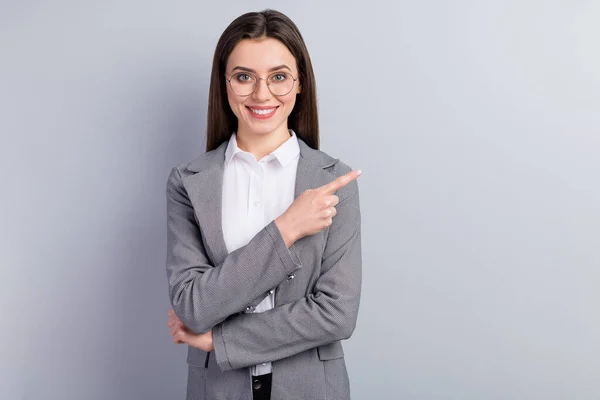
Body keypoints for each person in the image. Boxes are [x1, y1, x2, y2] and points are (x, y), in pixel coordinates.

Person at [165, 9, 362, 400]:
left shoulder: (333, 181)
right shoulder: (188, 182)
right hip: (216, 391)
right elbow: (192, 305)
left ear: (299, 82)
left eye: (278, 77)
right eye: (243, 77)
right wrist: (286, 228)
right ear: (224, 84)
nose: (261, 94)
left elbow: (336, 314)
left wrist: (222, 341)